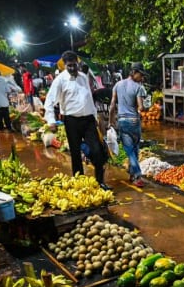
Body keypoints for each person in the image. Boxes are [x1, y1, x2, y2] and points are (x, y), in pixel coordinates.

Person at [44, 51, 109, 190]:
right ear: (65, 65)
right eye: (69, 66)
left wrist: (95, 116)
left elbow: (89, 98)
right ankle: (79, 182)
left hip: (88, 120)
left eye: (74, 65)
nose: (72, 68)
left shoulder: (83, 77)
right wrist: (51, 120)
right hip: (71, 121)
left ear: (77, 63)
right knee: (75, 153)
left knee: (97, 150)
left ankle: (100, 181)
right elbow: (49, 101)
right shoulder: (60, 80)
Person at [109, 61, 147, 187]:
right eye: (140, 75)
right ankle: (137, 175)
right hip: (134, 121)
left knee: (131, 150)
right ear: (134, 72)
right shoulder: (138, 87)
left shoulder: (117, 85)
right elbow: (141, 107)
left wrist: (110, 121)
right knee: (133, 150)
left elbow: (112, 106)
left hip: (122, 121)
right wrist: (142, 107)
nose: (141, 78)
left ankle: (132, 174)